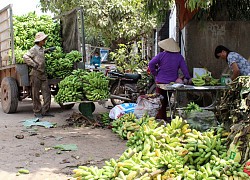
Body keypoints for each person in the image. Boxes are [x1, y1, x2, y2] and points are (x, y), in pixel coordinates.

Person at [148, 38, 191, 122]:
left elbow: (151, 64)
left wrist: (155, 73)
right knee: (166, 100)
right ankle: (164, 118)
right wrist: (188, 78)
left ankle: (161, 118)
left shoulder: (161, 55)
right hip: (171, 83)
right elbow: (185, 69)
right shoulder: (179, 57)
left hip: (160, 82)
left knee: (160, 101)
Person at [23, 32, 53, 118]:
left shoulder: (41, 49)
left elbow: (42, 52)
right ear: (39, 41)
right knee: (35, 94)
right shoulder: (33, 49)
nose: (45, 41)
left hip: (43, 74)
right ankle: (37, 111)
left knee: (47, 93)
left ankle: (45, 110)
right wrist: (34, 64)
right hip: (35, 74)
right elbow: (25, 56)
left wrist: (49, 50)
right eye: (43, 40)